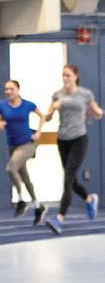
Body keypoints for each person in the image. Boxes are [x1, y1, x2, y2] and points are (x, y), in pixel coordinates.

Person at [43, 63, 103, 234]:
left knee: (68, 179)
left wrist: (96, 112)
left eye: (68, 75)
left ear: (75, 76)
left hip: (79, 140)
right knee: (72, 181)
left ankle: (59, 218)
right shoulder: (57, 95)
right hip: (62, 140)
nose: (65, 78)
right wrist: (52, 110)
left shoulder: (85, 94)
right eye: (63, 75)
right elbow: (47, 118)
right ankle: (89, 199)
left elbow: (98, 112)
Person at [0, 79, 47, 224]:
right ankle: (38, 206)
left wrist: (39, 132)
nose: (8, 91)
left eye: (11, 89)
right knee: (25, 177)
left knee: (10, 169)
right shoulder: (2, 106)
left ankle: (21, 200)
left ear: (18, 90)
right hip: (12, 145)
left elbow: (42, 116)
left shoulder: (27, 105)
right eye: (6, 89)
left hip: (28, 143)